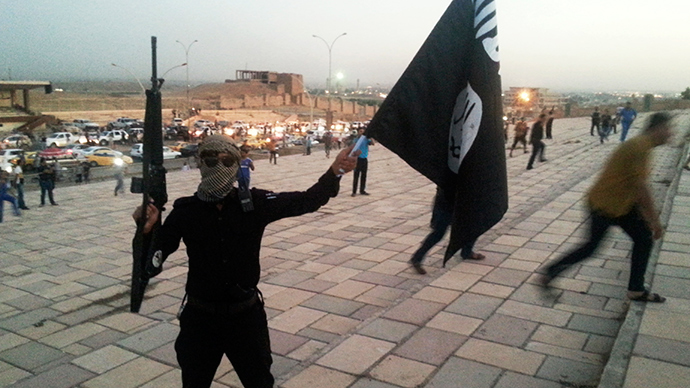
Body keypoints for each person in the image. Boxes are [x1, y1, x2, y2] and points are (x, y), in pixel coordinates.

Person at [132, 135, 359, 388]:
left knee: (259, 382)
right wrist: (146, 232)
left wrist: (335, 171)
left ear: (236, 163)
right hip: (201, 319)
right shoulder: (186, 212)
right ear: (200, 163)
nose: (218, 166)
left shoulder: (254, 204)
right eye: (210, 159)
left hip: (245, 317)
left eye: (226, 160)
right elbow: (151, 264)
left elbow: (308, 200)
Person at [540, 112, 673, 303]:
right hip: (605, 205)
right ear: (657, 128)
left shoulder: (642, 146)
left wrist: (645, 216)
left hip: (619, 204)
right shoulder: (640, 147)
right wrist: (655, 221)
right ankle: (550, 272)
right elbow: (641, 188)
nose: (671, 133)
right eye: (669, 129)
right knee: (592, 247)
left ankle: (636, 289)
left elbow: (635, 186)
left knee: (642, 239)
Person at [409, 187, 485, 274]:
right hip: (449, 203)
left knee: (472, 225)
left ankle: (467, 251)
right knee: (438, 233)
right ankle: (417, 258)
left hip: (453, 202)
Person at [352, 127, 374, 196]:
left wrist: (370, 137)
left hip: (364, 159)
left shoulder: (366, 139)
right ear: (358, 132)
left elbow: (372, 143)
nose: (362, 133)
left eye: (363, 131)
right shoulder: (356, 140)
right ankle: (354, 191)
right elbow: (353, 148)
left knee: (364, 175)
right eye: (360, 131)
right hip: (357, 159)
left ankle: (362, 190)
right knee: (356, 175)